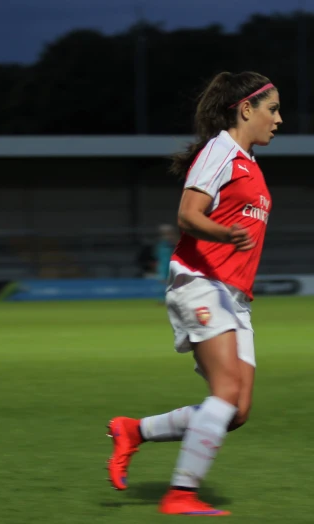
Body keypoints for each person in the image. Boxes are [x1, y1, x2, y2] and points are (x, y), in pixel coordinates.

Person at [105, 71, 282, 517]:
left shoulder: (250, 163)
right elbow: (188, 214)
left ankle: (134, 431)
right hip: (201, 282)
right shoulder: (220, 149)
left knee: (236, 411)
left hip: (233, 296)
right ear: (246, 109)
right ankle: (181, 494)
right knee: (224, 394)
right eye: (273, 109)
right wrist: (226, 234)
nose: (279, 119)